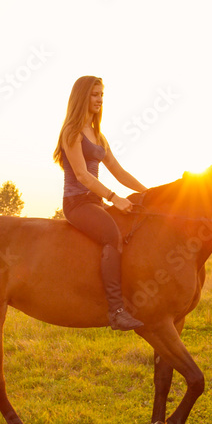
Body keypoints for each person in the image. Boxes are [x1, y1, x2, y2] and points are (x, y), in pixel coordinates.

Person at [53, 76, 149, 331]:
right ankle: (117, 312)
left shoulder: (98, 136)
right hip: (77, 203)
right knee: (112, 235)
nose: (99, 100)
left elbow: (119, 171)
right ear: (82, 97)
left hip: (95, 202)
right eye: (95, 94)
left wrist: (150, 194)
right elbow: (83, 176)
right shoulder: (71, 133)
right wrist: (114, 198)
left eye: (102, 95)